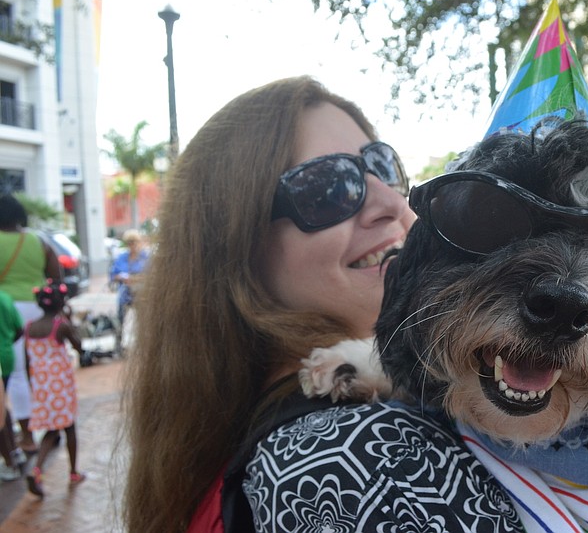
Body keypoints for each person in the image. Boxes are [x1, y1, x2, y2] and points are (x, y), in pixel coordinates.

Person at [123, 77, 523, 533]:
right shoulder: (354, 459)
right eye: (329, 189)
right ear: (235, 248)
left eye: (384, 168)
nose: (392, 202)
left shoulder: (225, 432)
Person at [0, 194, 62, 453]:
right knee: (41, 369)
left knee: (16, 375)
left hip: (7, 310)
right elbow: (56, 277)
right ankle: (53, 428)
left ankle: (27, 436)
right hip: (38, 311)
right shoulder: (39, 241)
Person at [22, 280, 85, 497]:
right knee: (69, 428)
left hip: (41, 387)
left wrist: (33, 386)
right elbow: (79, 345)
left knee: (51, 429)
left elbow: (27, 361)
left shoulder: (29, 327)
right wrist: (68, 318)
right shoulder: (61, 325)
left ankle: (37, 470)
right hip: (61, 386)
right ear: (61, 303)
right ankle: (73, 472)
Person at [108, 229, 149, 353]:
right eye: (130, 242)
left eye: (135, 242)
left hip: (141, 294)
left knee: (143, 321)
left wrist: (136, 278)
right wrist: (122, 277)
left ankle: (143, 345)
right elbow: (113, 274)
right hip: (125, 294)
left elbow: (152, 275)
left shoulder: (146, 257)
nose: (133, 245)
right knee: (120, 319)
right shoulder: (122, 257)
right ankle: (118, 345)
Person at [0, 289, 25, 481]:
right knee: (2, 406)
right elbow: (19, 328)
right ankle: (14, 451)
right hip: (6, 356)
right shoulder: (4, 297)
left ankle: (10, 462)